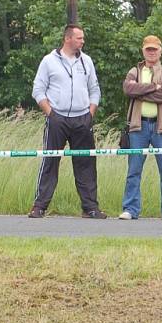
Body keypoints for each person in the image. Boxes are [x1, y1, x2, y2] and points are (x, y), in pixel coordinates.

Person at [30, 24, 106, 219]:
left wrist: (90, 113)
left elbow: (95, 90)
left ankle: (90, 207)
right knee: (50, 161)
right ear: (68, 39)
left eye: (82, 38)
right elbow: (38, 90)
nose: (83, 41)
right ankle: (39, 206)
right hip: (57, 118)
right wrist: (50, 114)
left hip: (82, 118)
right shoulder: (48, 61)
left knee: (86, 163)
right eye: (79, 38)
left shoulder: (86, 61)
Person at [119, 35, 162, 221]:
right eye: (148, 49)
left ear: (160, 51)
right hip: (138, 127)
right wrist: (154, 87)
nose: (151, 52)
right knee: (134, 169)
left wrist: (141, 92)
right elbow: (128, 90)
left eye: (155, 49)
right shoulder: (133, 71)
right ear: (143, 51)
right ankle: (130, 209)